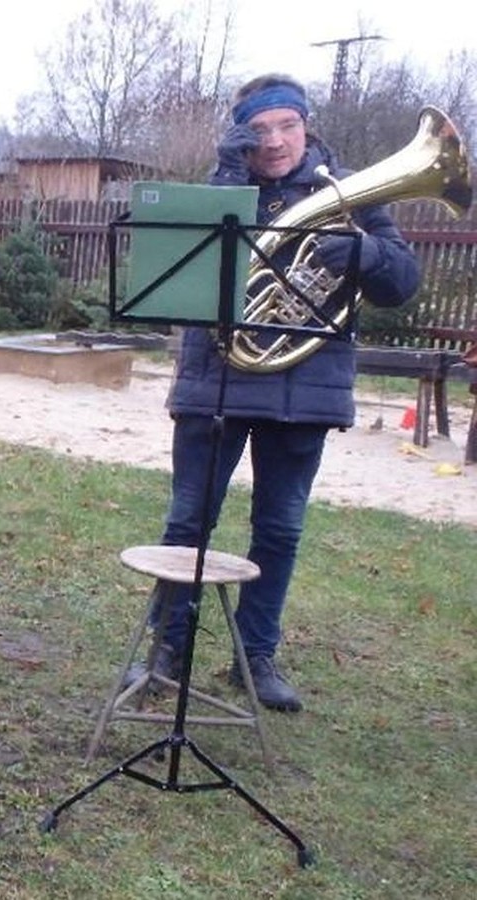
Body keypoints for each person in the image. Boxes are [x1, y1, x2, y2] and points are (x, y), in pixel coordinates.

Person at [141, 74, 421, 711]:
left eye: (286, 126)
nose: (274, 142)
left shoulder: (349, 194)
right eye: (259, 130)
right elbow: (183, 269)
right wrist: (224, 175)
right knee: (187, 522)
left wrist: (365, 255)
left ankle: (255, 655)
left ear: (306, 126)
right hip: (214, 382)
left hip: (304, 389)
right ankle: (168, 647)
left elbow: (402, 283)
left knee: (280, 529)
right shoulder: (225, 187)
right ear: (241, 135)